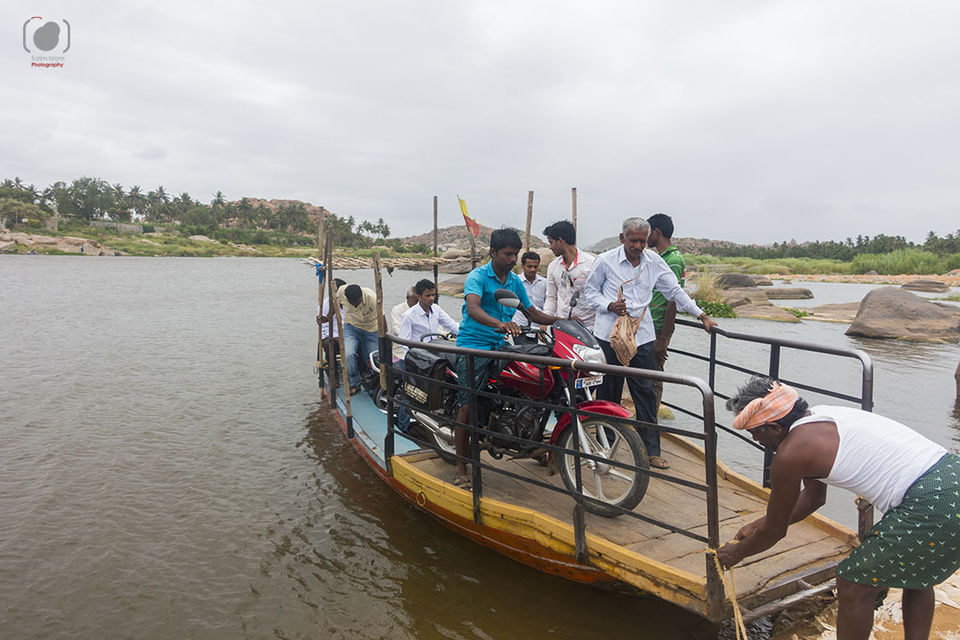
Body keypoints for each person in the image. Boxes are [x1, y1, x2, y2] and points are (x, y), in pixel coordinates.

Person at [718, 376, 960, 640]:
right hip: (951, 474)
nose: (755, 440)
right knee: (917, 573)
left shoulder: (790, 455)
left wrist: (735, 554)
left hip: (934, 499)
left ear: (774, 428)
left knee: (853, 583)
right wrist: (759, 524)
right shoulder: (820, 416)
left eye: (756, 432)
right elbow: (812, 498)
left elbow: (776, 532)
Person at [584, 217, 716, 469]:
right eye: (632, 240)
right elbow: (591, 293)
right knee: (608, 392)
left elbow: (674, 291)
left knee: (644, 392)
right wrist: (609, 305)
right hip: (609, 335)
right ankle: (606, 445)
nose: (637, 246)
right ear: (622, 238)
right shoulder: (605, 261)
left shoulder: (654, 262)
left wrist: (702, 315)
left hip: (642, 336)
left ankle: (651, 451)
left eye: (642, 241)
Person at [453, 228, 559, 487]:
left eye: (516, 254)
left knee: (529, 384)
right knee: (467, 404)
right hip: (473, 345)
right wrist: (498, 324)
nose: (513, 259)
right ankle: (460, 468)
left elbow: (532, 312)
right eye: (508, 254)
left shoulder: (512, 282)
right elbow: (474, 308)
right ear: (493, 252)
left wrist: (564, 321)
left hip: (500, 344)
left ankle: (523, 436)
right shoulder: (477, 276)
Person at [395, 279, 460, 434]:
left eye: (433, 295)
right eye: (427, 295)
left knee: (434, 393)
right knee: (411, 396)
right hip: (416, 361)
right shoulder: (409, 315)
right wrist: (413, 359)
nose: (431, 298)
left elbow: (451, 325)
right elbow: (403, 341)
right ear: (418, 296)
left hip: (434, 359)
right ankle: (402, 429)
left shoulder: (436, 309)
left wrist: (472, 333)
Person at [646, 213, 685, 411]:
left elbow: (673, 300)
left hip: (658, 329)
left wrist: (664, 338)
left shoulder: (673, 260)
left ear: (656, 232)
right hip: (649, 326)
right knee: (645, 376)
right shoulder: (660, 258)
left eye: (647, 232)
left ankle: (651, 422)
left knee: (654, 378)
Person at [542, 220, 596, 330]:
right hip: (561, 328)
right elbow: (551, 297)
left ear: (560, 241)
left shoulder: (591, 264)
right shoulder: (553, 267)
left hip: (589, 329)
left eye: (551, 242)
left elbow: (598, 295)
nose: (550, 247)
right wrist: (544, 321)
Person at [337, 283, 380, 395]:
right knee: (349, 354)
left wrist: (384, 338)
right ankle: (354, 383)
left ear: (361, 297)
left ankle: (375, 383)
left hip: (371, 328)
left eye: (358, 301)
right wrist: (327, 317)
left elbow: (382, 317)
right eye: (353, 302)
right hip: (352, 326)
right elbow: (334, 304)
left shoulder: (372, 298)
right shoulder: (341, 292)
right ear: (347, 299)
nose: (356, 305)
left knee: (374, 358)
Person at [512, 251, 547, 328]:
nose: (532, 269)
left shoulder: (544, 283)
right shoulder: (516, 282)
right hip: (520, 328)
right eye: (529, 266)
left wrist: (544, 323)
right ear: (522, 266)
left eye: (535, 267)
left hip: (539, 329)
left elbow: (548, 303)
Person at [316, 278, 346, 364]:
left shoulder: (347, 302)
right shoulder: (326, 304)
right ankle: (333, 371)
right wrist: (334, 336)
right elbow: (323, 327)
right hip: (332, 335)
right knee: (330, 344)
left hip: (347, 334)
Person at [390, 287, 418, 361]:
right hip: (401, 348)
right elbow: (396, 329)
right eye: (415, 301)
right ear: (408, 298)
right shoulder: (397, 310)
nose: (417, 304)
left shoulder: (421, 309)